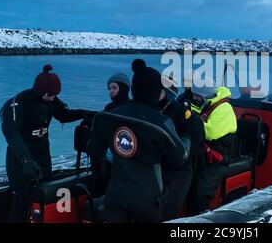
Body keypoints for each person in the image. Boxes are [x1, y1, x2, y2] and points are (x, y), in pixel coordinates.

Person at [88, 59, 191, 223]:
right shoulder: (161, 123)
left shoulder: (106, 117)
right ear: (157, 92)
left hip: (115, 193)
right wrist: (186, 138)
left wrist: (99, 180)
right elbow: (179, 158)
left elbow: (94, 153)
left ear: (134, 89)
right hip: (147, 199)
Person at [0, 64, 92, 222]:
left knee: (43, 197)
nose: (53, 99)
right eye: (50, 95)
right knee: (21, 201)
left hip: (42, 155)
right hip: (19, 158)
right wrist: (26, 160)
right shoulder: (17, 103)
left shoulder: (51, 98)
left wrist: (85, 114)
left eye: (55, 95)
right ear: (41, 91)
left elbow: (63, 115)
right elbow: (12, 134)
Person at [186, 82, 237, 216]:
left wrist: (190, 119)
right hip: (204, 155)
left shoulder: (224, 108)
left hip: (218, 159)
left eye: (197, 96)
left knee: (201, 190)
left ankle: (201, 217)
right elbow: (198, 112)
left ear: (205, 96)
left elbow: (209, 133)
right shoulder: (208, 103)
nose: (195, 99)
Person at [158, 75, 205, 221]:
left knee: (166, 211)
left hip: (180, 166)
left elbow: (195, 139)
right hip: (158, 163)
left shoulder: (182, 112)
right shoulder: (152, 109)